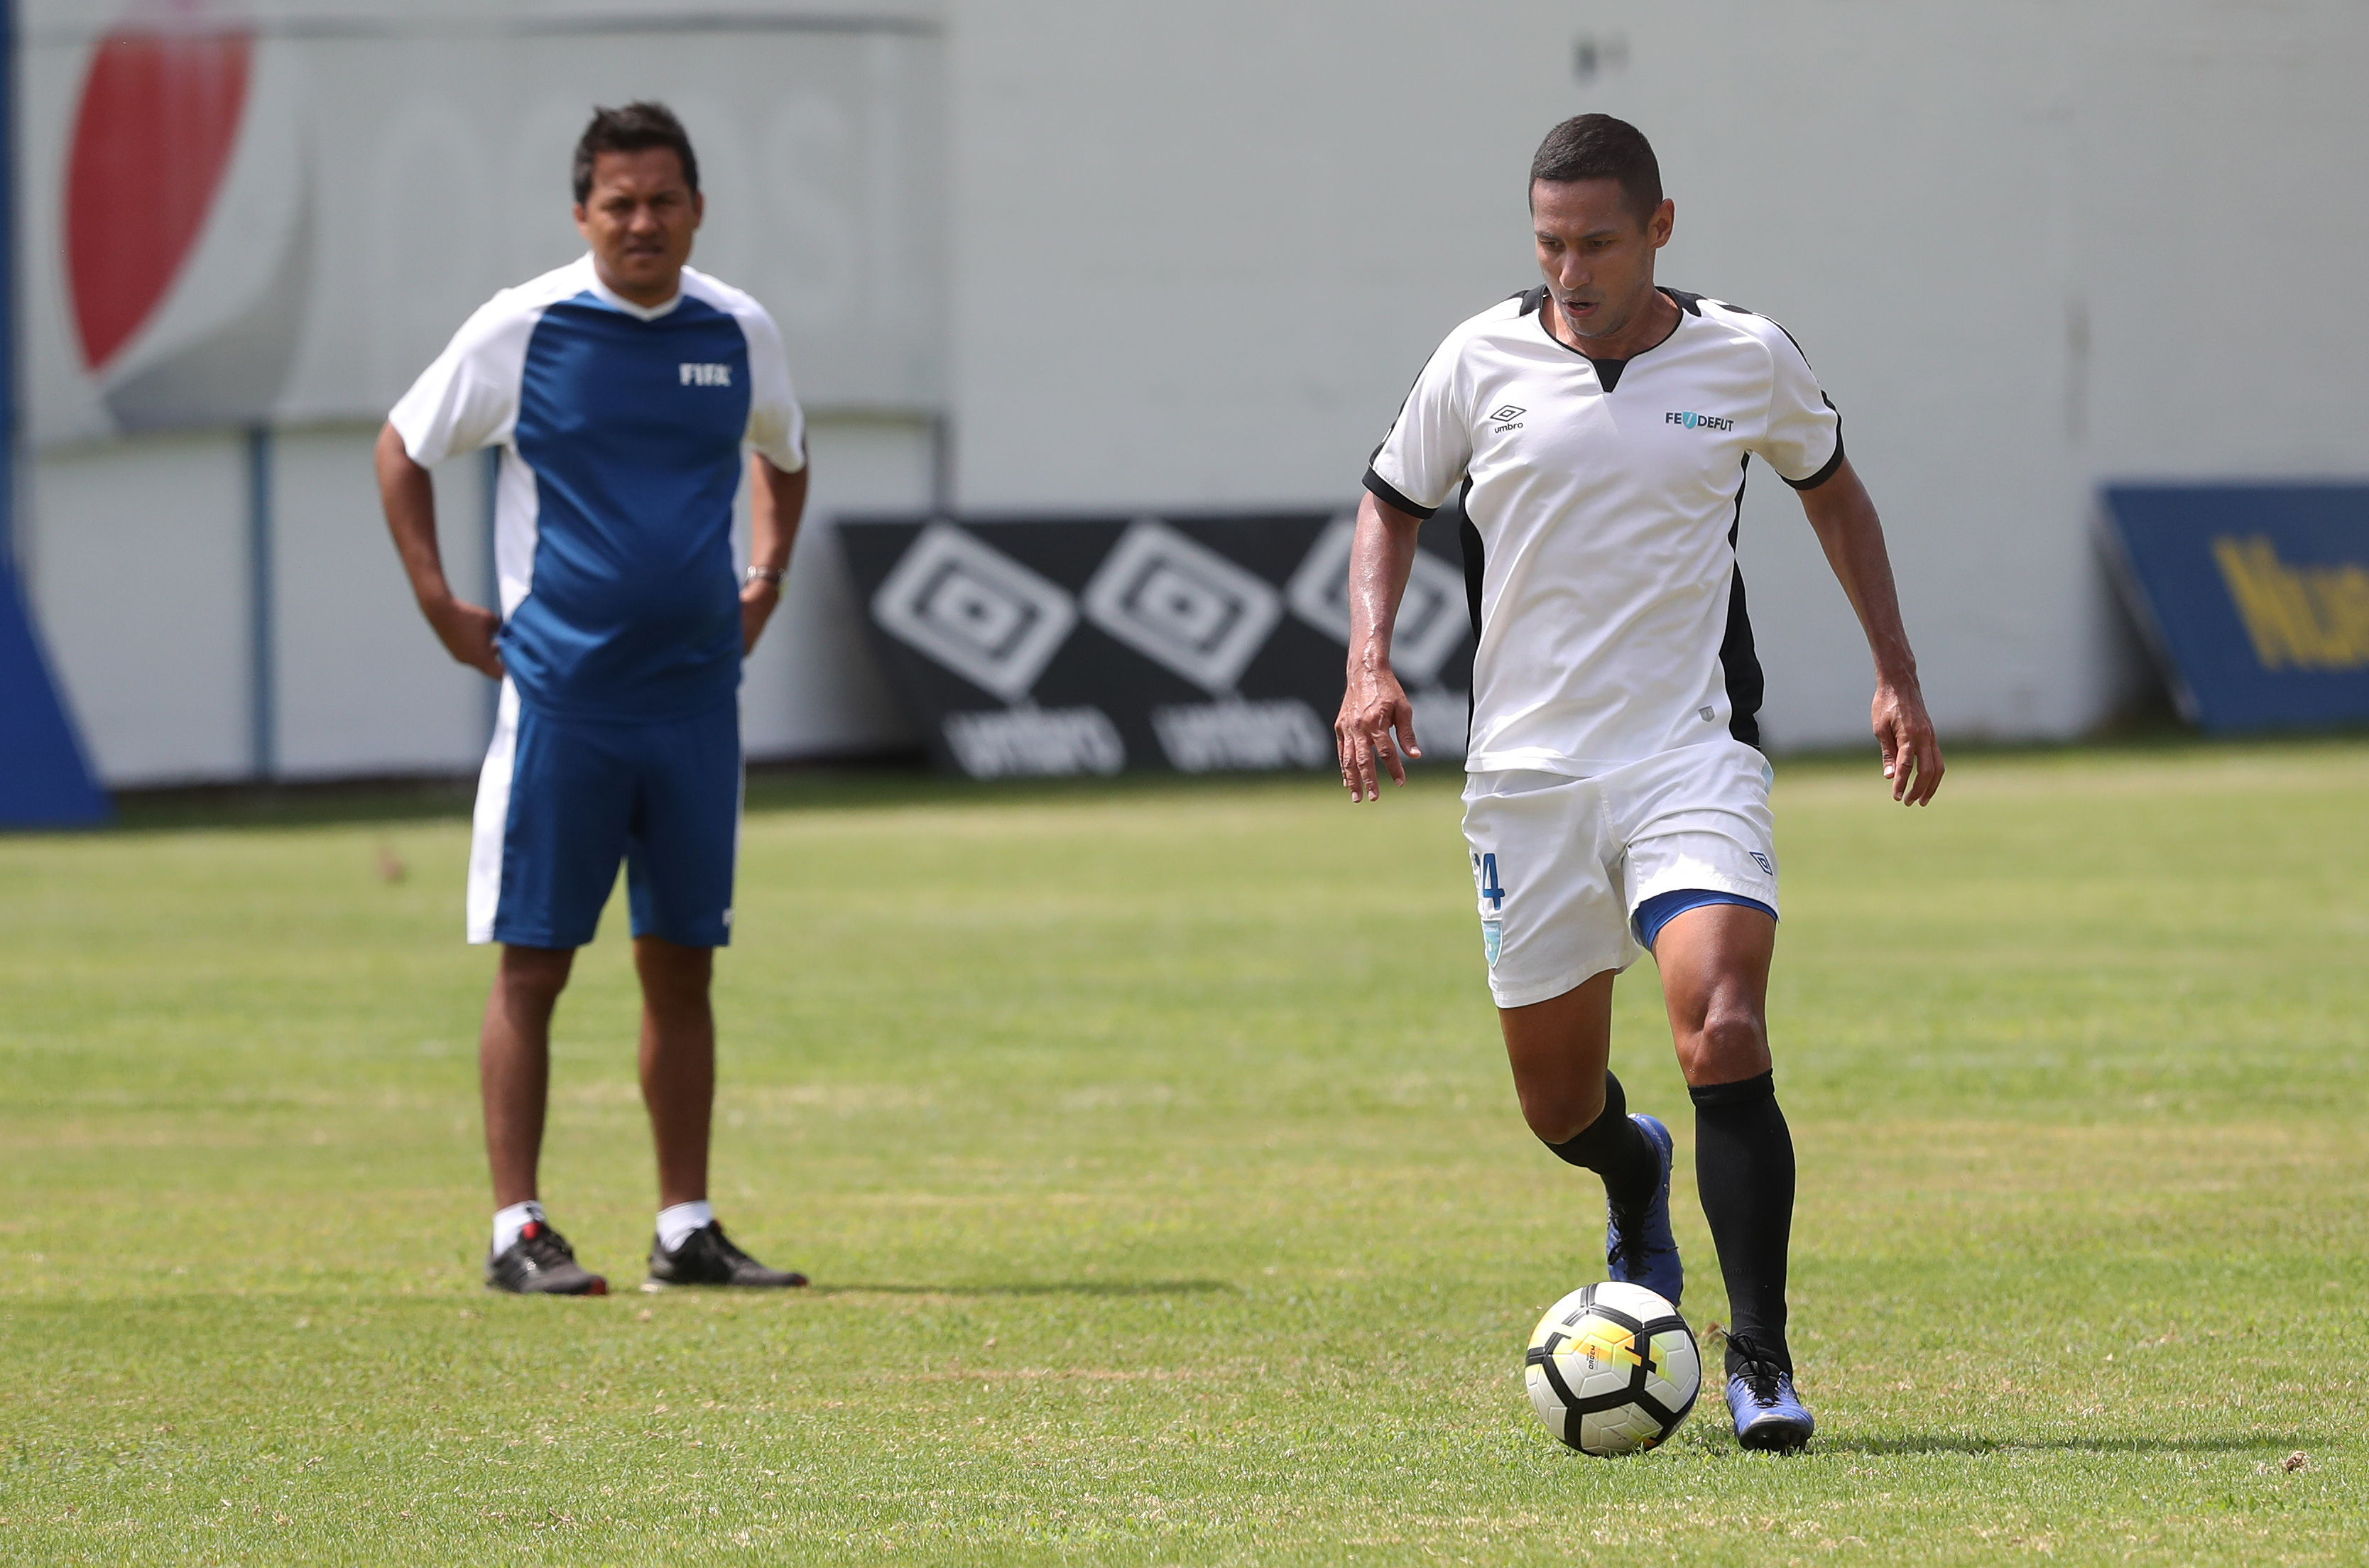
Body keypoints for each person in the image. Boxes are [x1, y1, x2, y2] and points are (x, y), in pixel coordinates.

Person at [1334, 114, 1942, 1450]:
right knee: (1560, 1107)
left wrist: (1893, 671)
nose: (1570, 270)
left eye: (1597, 241)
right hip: (1528, 781)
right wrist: (1368, 661)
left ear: (1660, 227)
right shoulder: (1478, 357)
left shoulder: (1744, 355)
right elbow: (1391, 498)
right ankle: (1635, 1165)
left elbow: (1833, 492)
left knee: (1722, 1027)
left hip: (1689, 753)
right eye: (1550, 243)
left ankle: (1762, 1362)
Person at [376, 102, 812, 1296]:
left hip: (693, 708)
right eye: (618, 202)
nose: (641, 222)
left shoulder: (737, 332)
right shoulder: (527, 329)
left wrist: (762, 578)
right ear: (582, 214)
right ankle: (517, 1229)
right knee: (535, 965)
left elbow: (786, 456)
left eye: (662, 199)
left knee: (683, 967)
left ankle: (686, 1229)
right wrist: (438, 603)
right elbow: (403, 447)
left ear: (697, 209)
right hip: (561, 704)